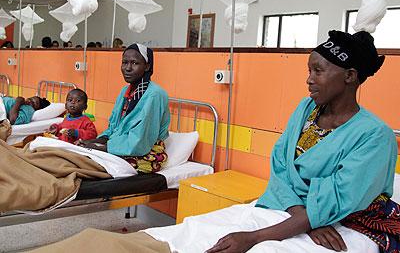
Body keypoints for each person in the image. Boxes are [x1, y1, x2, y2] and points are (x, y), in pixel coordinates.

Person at [27, 31, 399, 253]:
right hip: (287, 210)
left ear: (350, 76)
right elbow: (281, 167)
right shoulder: (306, 109)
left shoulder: (374, 137)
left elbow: (338, 198)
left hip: (338, 219)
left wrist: (256, 237)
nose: (309, 80)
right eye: (307, 70)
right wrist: (303, 216)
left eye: (318, 70)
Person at [77, 43, 170, 173]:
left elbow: (141, 140)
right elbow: (114, 127)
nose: (128, 68)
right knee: (77, 155)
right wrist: (92, 141)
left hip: (145, 152)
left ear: (147, 66)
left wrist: (101, 148)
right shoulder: (125, 92)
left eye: (134, 63)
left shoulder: (154, 95)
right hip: (119, 145)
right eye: (124, 62)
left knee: (86, 167)